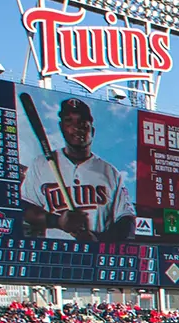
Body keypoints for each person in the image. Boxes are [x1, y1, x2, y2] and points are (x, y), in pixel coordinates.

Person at [19, 95, 136, 242]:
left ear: (92, 130)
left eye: (82, 122)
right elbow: (23, 208)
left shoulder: (109, 172)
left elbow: (128, 219)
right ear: (61, 128)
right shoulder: (41, 164)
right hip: (55, 254)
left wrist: (98, 240)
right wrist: (58, 221)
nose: (77, 127)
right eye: (69, 121)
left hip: (98, 257)